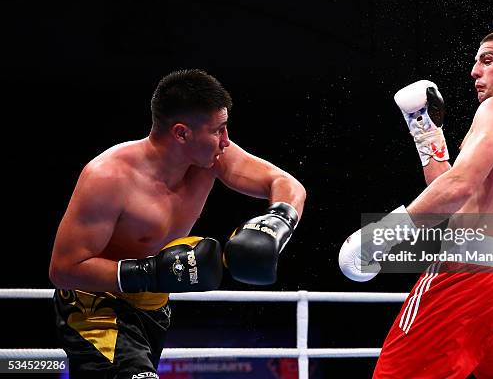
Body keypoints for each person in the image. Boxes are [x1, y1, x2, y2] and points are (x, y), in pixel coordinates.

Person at [48, 69, 307, 378]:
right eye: (218, 130)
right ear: (182, 133)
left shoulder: (211, 159)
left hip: (154, 307)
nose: (226, 141)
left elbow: (284, 183)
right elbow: (63, 269)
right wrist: (151, 272)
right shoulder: (109, 177)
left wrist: (275, 223)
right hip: (95, 308)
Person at [339, 30, 493, 377]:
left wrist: (381, 235)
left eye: (487, 60)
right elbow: (456, 194)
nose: (474, 71)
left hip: (467, 274)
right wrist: (426, 134)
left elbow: (459, 187)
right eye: (474, 61)